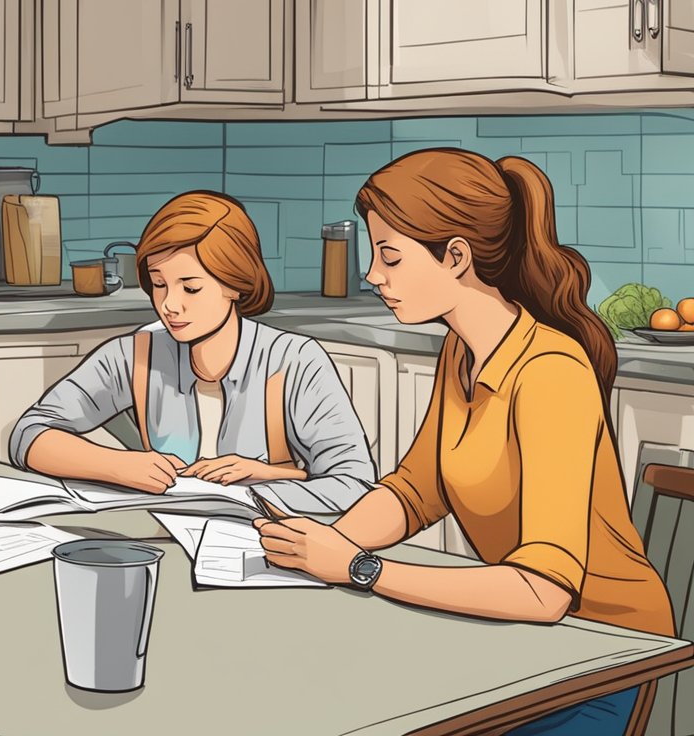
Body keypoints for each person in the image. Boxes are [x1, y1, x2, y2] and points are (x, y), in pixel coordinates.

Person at [255, 149, 674, 736]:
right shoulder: (463, 352)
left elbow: (543, 591)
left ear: (456, 257)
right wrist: (321, 544)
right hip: (524, 643)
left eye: (390, 256)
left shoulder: (551, 372)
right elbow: (414, 492)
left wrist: (357, 567)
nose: (373, 275)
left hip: (601, 656)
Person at [10, 190, 375, 514]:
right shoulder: (135, 353)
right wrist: (118, 465)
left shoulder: (295, 362)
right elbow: (29, 434)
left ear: (236, 284)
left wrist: (263, 484)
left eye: (191, 288)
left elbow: (355, 485)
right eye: (158, 284)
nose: (169, 305)